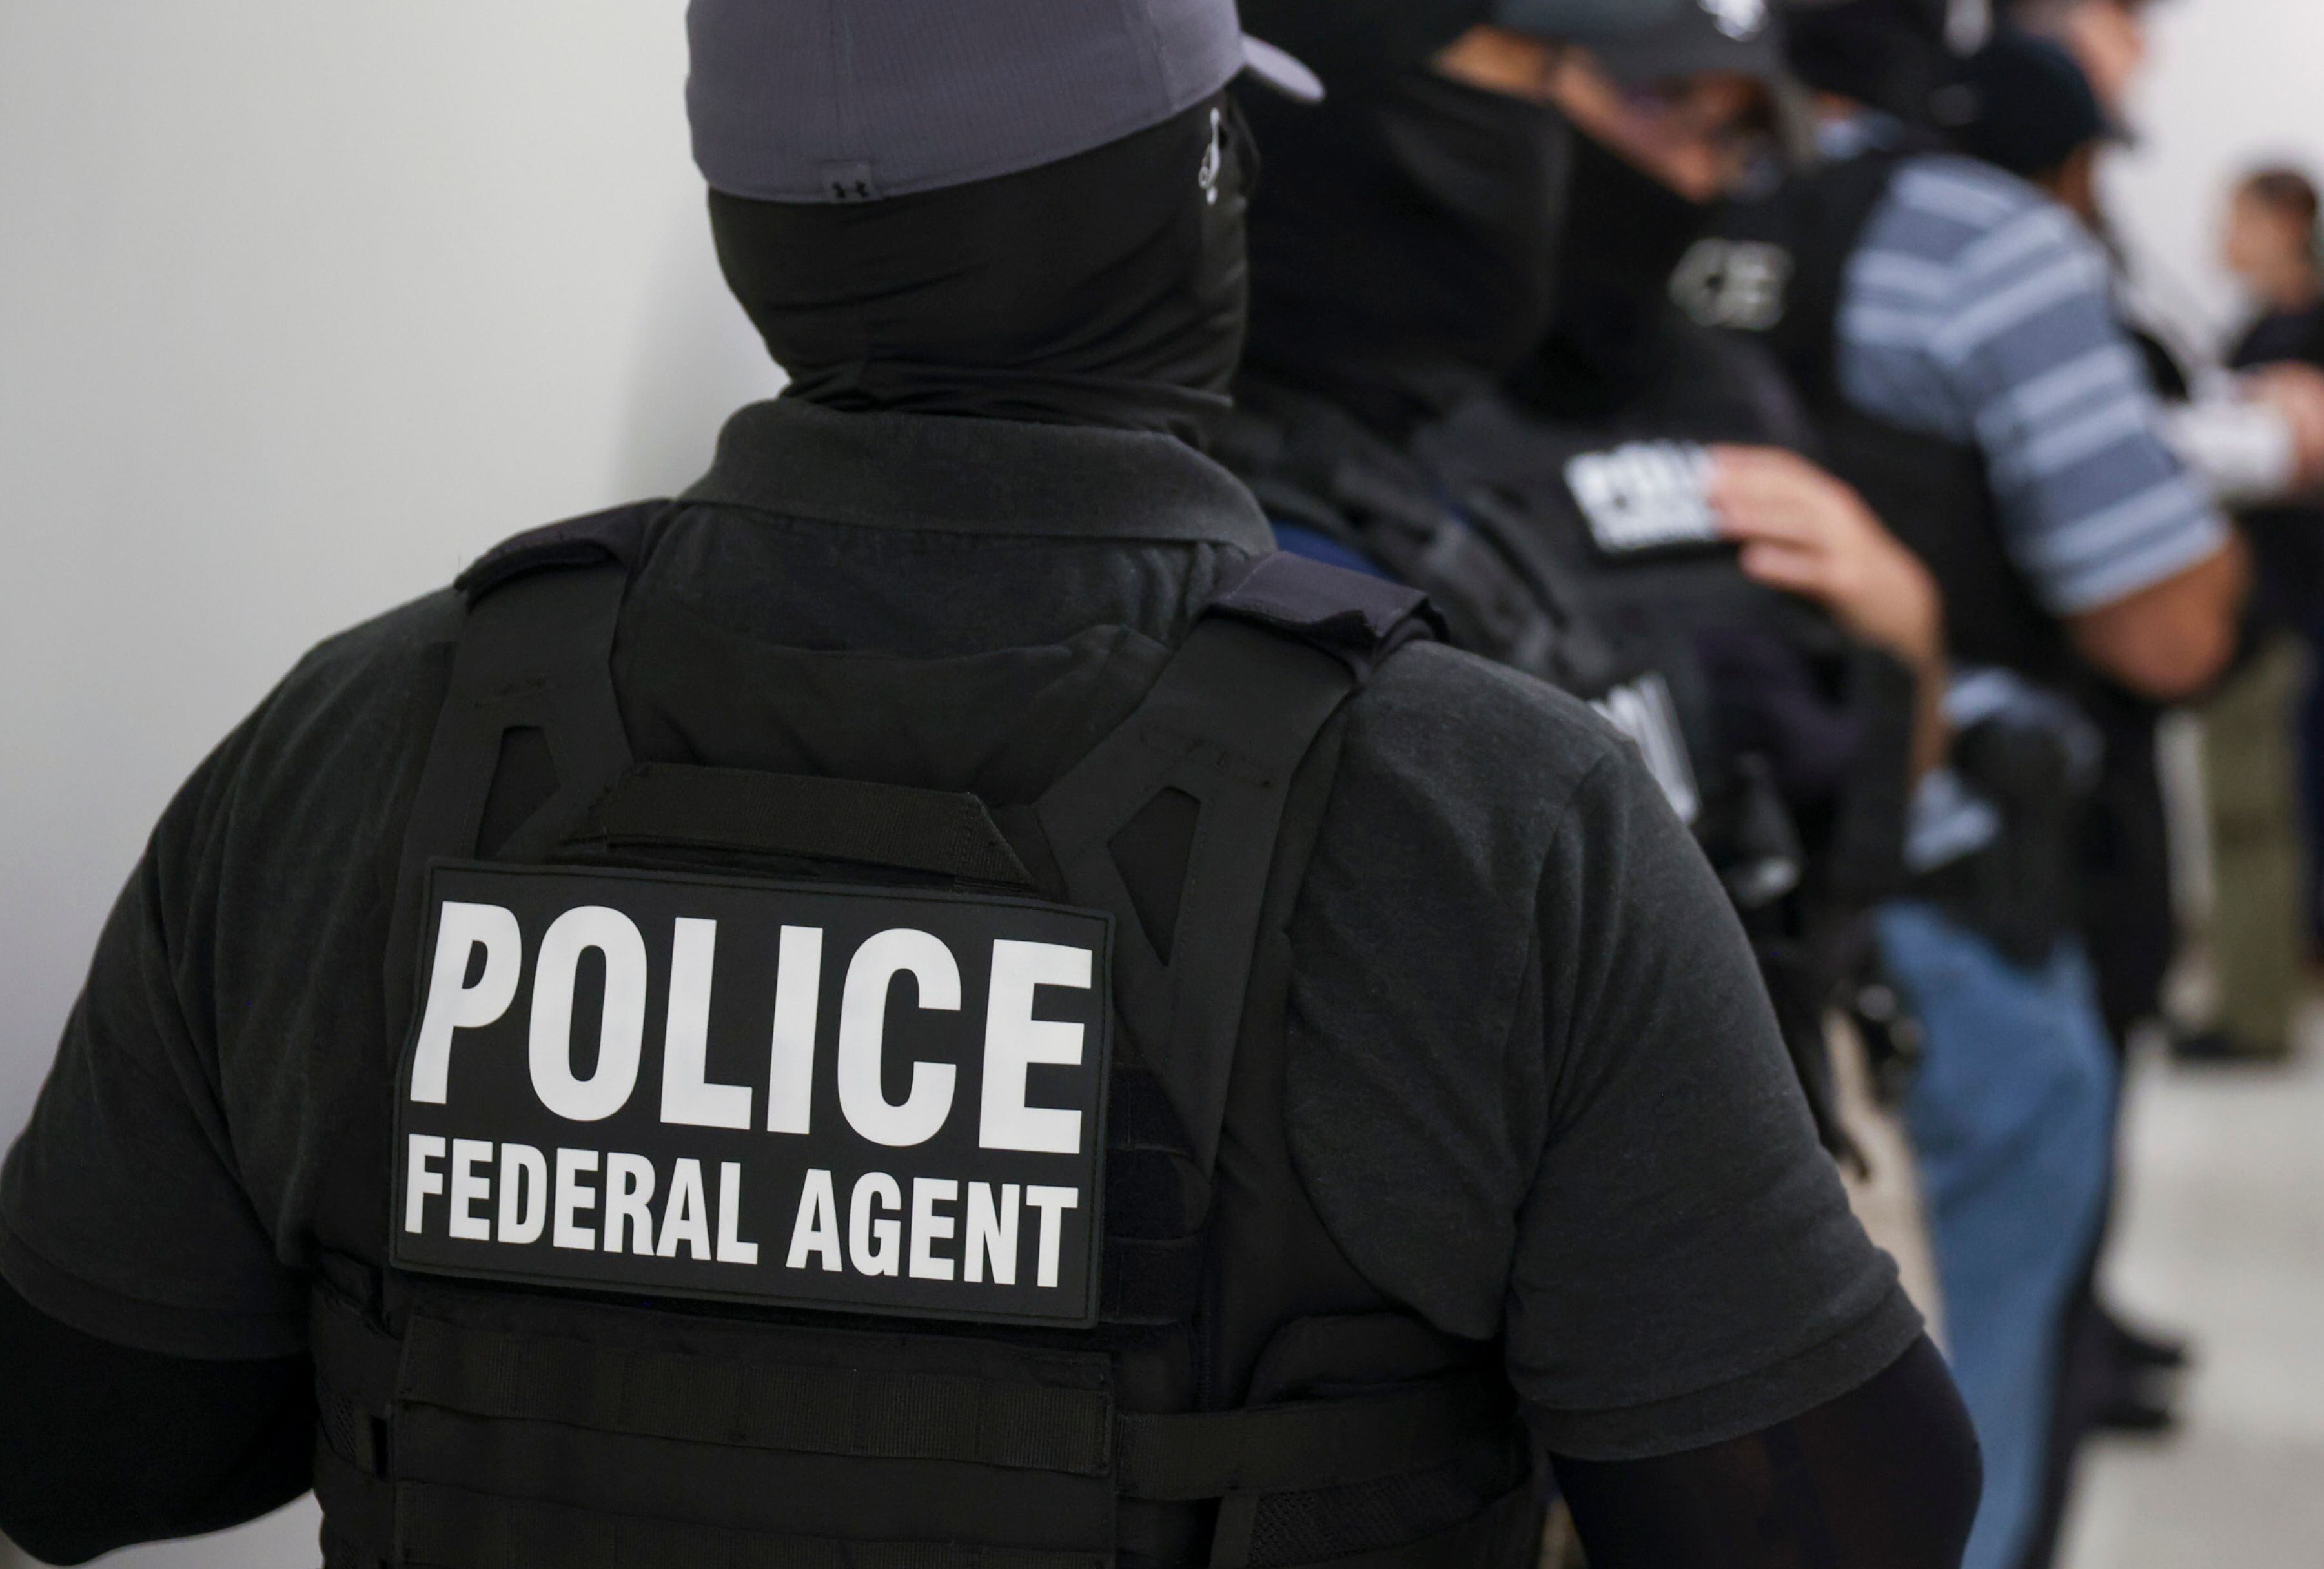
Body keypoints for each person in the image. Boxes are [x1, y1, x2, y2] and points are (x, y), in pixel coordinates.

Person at [0, 3, 1981, 1566]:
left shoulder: (354, 745)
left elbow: (83, 1442)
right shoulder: (1478, 806)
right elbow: (1830, 1518)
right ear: (1206, 180)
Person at [1684, 5, 2247, 1568]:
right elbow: (2165, 624)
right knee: (1956, 1424)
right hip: (1931, 893)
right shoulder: (1980, 242)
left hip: (1628, 875)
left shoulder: (1627, 187)